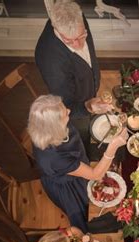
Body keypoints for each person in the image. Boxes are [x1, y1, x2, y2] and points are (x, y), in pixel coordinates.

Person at [28, 94, 128, 233]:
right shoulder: (54, 157)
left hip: (75, 162)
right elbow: (94, 175)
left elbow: (72, 111)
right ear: (55, 126)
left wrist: (90, 106)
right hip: (69, 186)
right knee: (88, 213)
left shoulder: (48, 127)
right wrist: (113, 146)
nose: (68, 111)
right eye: (65, 114)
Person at [35, 1, 110, 147]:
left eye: (82, 36)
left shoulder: (76, 17)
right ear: (56, 28)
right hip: (76, 112)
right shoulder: (50, 59)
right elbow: (66, 104)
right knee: (83, 142)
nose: (78, 45)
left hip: (88, 92)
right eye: (69, 41)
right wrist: (87, 107)